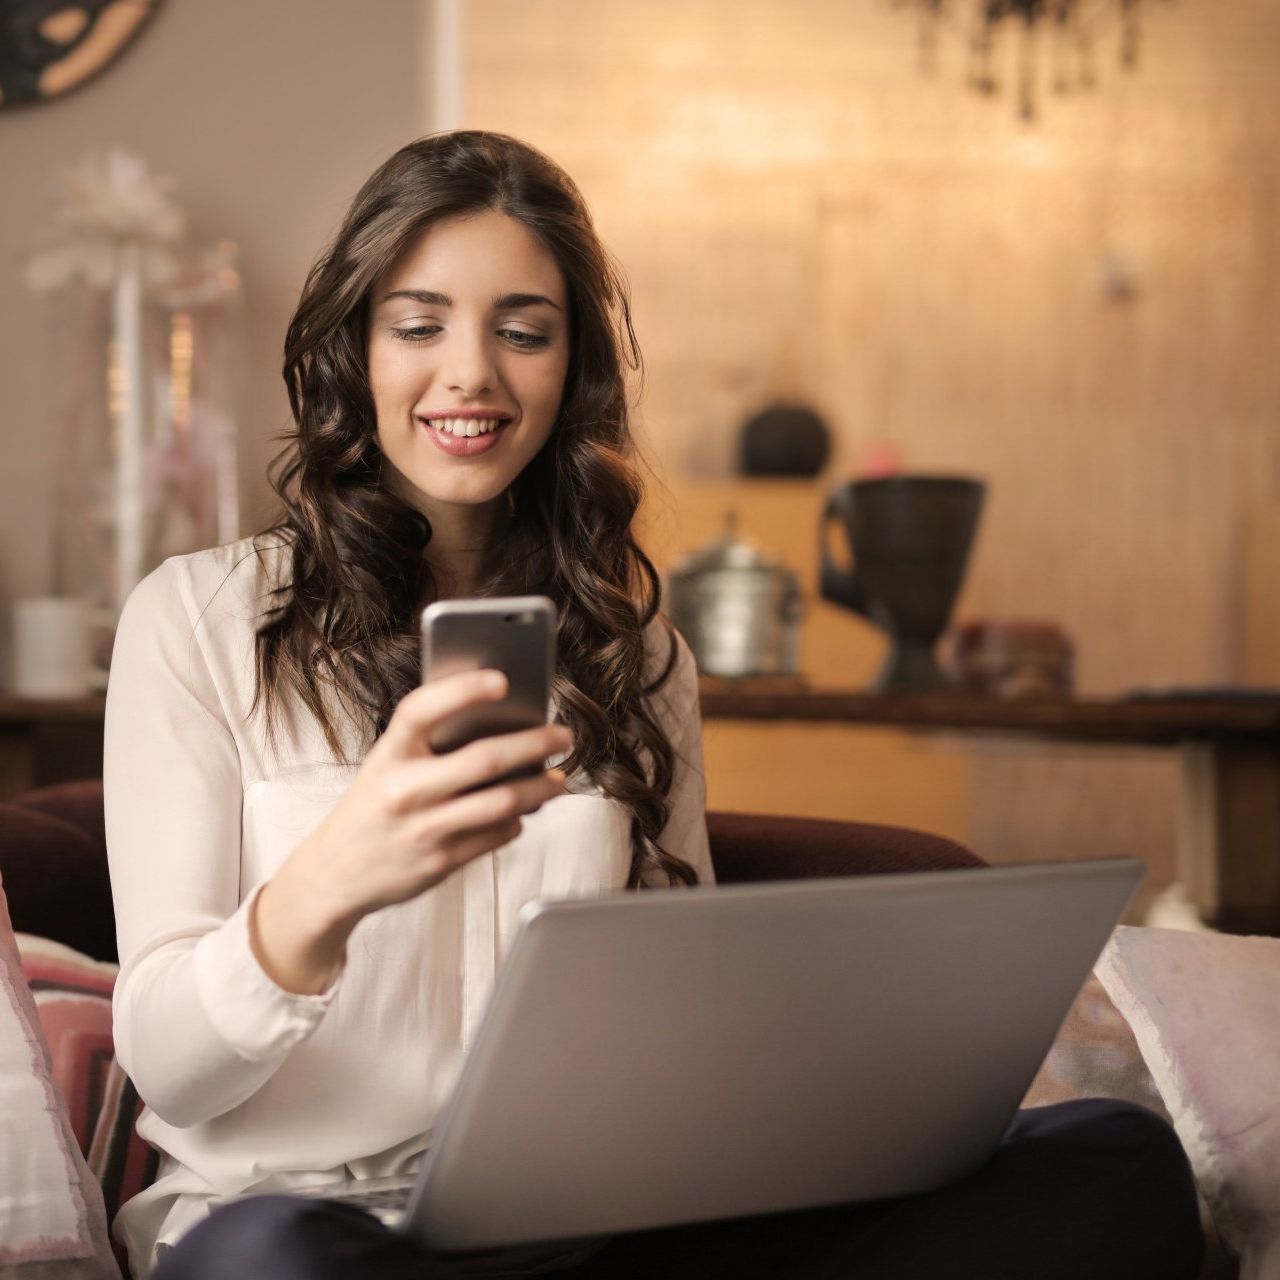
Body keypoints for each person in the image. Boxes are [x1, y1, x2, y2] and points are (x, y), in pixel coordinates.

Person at [104, 130, 1204, 1280]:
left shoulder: (637, 657)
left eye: (522, 330)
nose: (471, 373)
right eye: (418, 324)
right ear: (353, 351)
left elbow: (676, 1015)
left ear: (569, 366)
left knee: (1110, 1158)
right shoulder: (199, 620)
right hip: (305, 1223)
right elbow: (170, 1064)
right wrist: (332, 880)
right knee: (273, 1266)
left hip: (585, 1230)